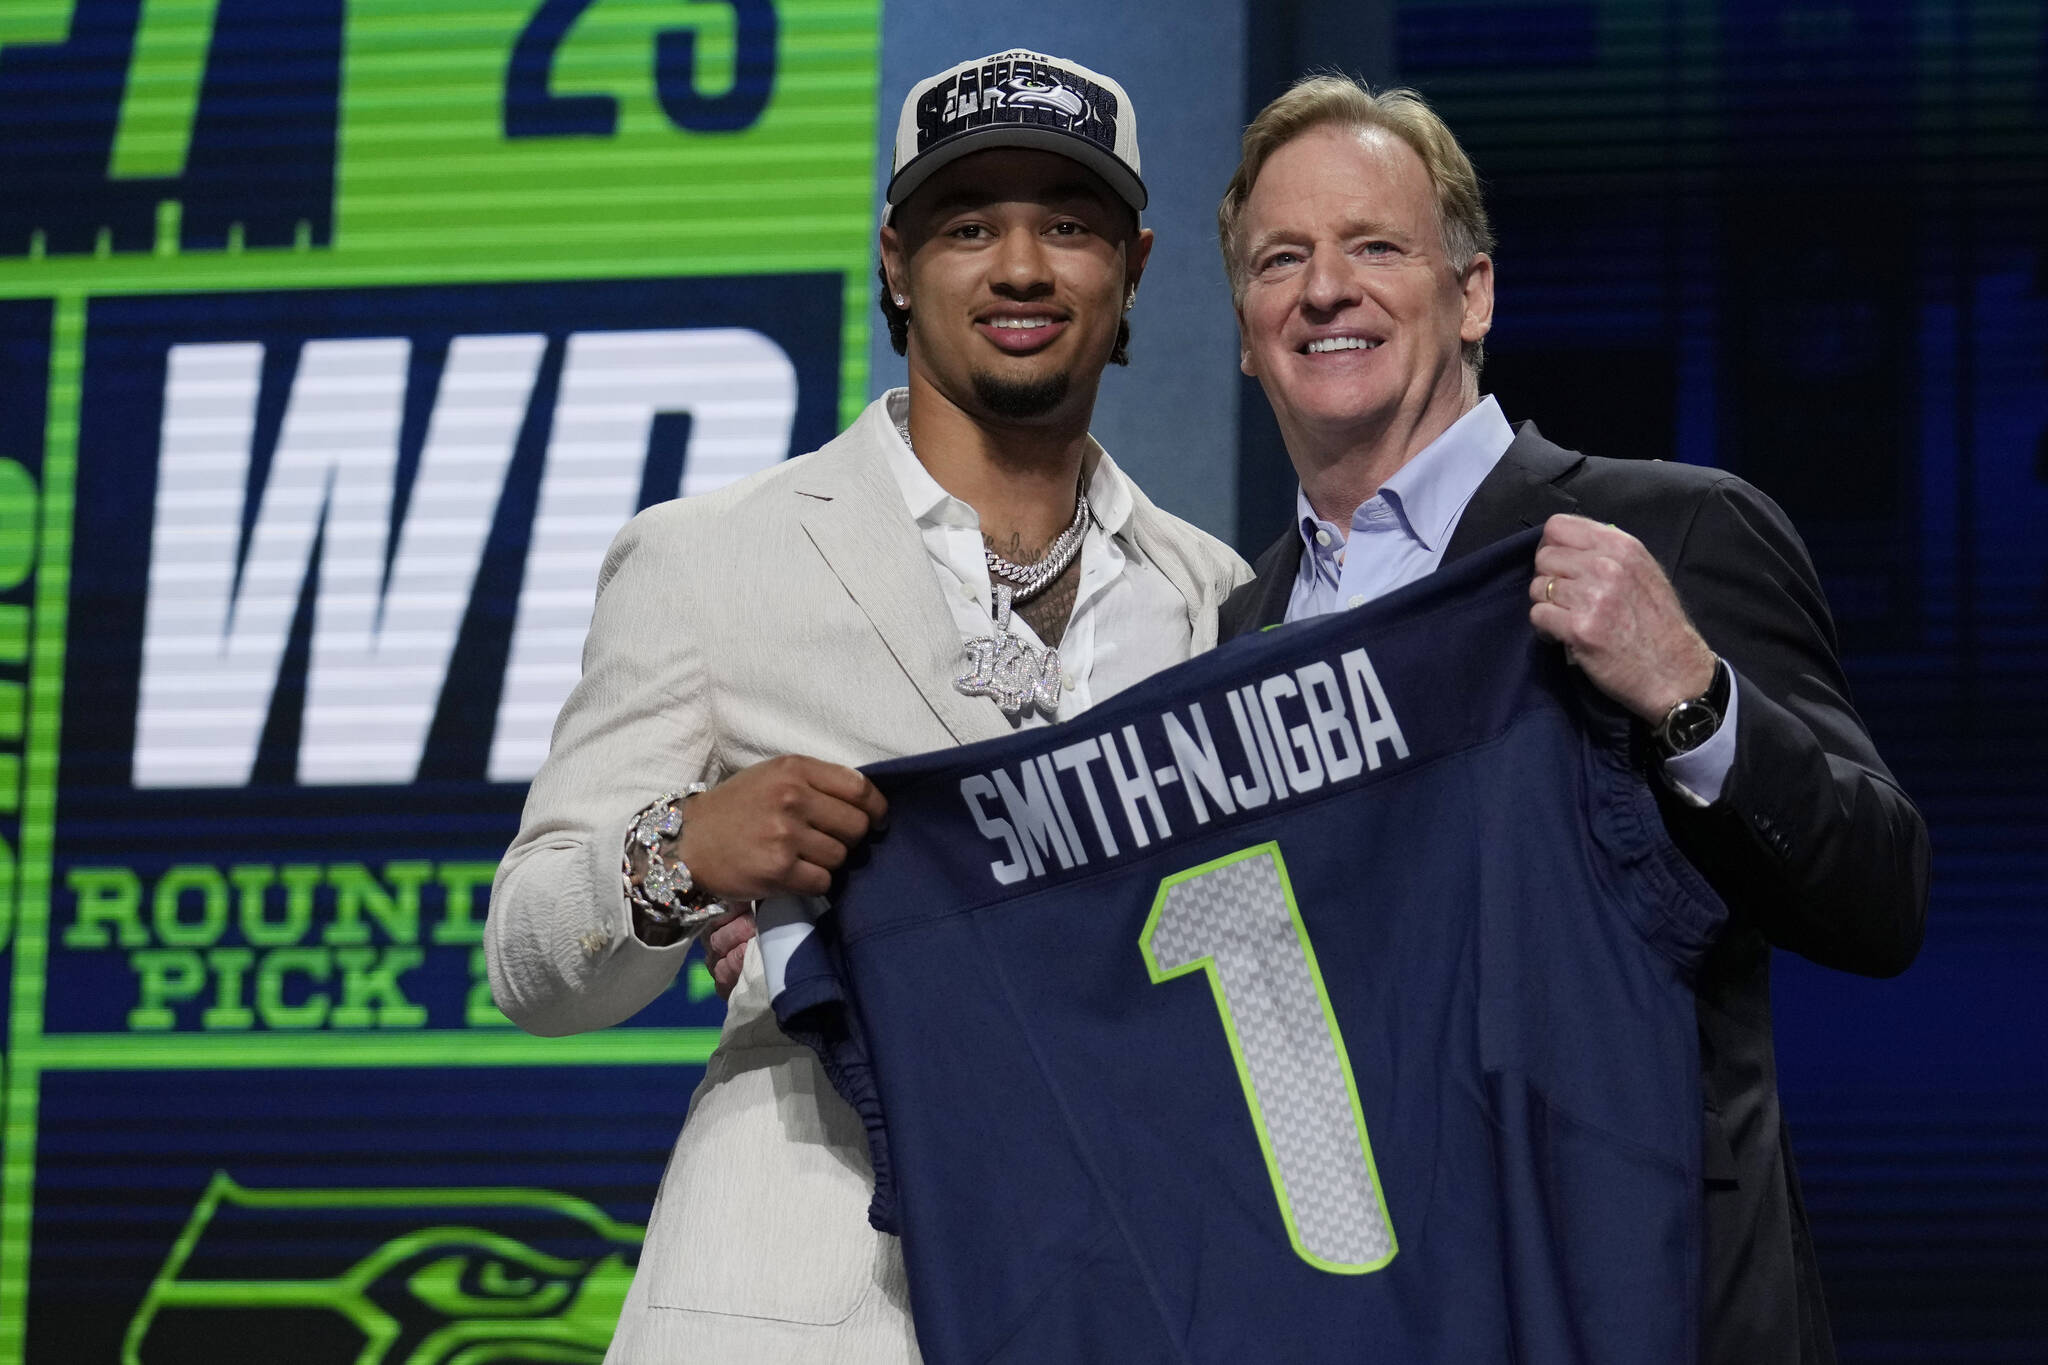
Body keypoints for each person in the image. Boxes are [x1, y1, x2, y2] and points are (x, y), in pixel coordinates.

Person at [486, 50, 1248, 1363]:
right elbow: (528, 958)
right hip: (805, 1304)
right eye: (968, 226)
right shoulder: (707, 558)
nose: (1020, 267)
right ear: (896, 261)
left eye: (1069, 225)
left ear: (1133, 265)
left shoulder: (1212, 602)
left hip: (1124, 1288)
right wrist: (687, 850)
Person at [1212, 76, 1928, 1365]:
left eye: (1375, 246)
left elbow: (1881, 892)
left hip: (1647, 1292)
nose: (1326, 290)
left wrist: (1691, 692)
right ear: (1245, 329)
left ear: (1472, 292)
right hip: (1366, 1311)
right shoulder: (1233, 634)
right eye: (1282, 260)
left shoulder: (1677, 530)